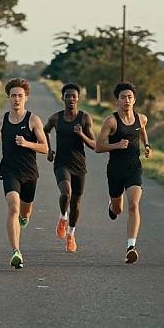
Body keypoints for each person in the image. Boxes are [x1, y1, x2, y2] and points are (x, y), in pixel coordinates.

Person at [0, 78, 48, 269]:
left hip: (29, 172)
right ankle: (16, 251)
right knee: (13, 207)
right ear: (8, 98)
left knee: (24, 212)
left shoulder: (33, 120)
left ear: (26, 98)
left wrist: (27, 143)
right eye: (13, 95)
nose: (16, 99)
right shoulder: (1, 119)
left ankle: (24, 217)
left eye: (20, 96)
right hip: (9, 171)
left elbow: (45, 148)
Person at [96, 82, 150, 264]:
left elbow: (142, 131)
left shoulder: (141, 118)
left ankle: (131, 247)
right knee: (118, 209)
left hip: (134, 169)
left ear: (134, 100)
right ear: (117, 101)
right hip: (115, 170)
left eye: (129, 97)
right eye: (122, 97)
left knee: (134, 205)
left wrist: (147, 145)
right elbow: (98, 146)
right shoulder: (110, 121)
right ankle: (112, 206)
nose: (126, 100)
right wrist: (116, 145)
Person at [44, 83, 95, 252]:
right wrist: (48, 150)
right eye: (68, 96)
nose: (71, 99)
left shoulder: (85, 118)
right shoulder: (56, 118)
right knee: (66, 193)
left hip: (79, 165)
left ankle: (71, 234)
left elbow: (94, 145)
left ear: (78, 98)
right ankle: (62, 217)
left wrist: (81, 134)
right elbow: (45, 131)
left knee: (76, 203)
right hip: (61, 163)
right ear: (62, 98)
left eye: (74, 96)